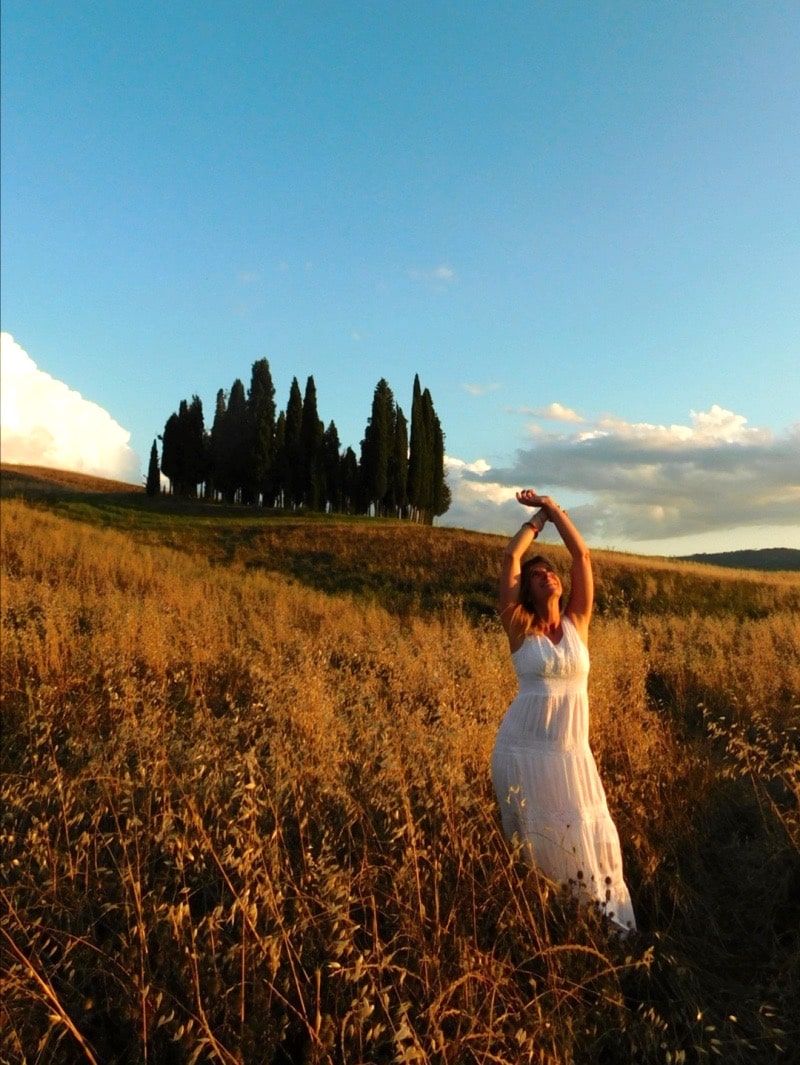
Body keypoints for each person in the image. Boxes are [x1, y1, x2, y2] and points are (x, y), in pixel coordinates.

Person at [491, 489, 636, 934]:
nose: (547, 577)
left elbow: (584, 557)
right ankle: (546, 923)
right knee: (538, 844)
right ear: (528, 593)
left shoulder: (578, 622)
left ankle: (602, 924)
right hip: (523, 751)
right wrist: (535, 523)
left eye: (550, 572)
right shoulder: (519, 626)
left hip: (572, 754)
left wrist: (554, 509)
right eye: (537, 577)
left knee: (588, 834)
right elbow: (511, 558)